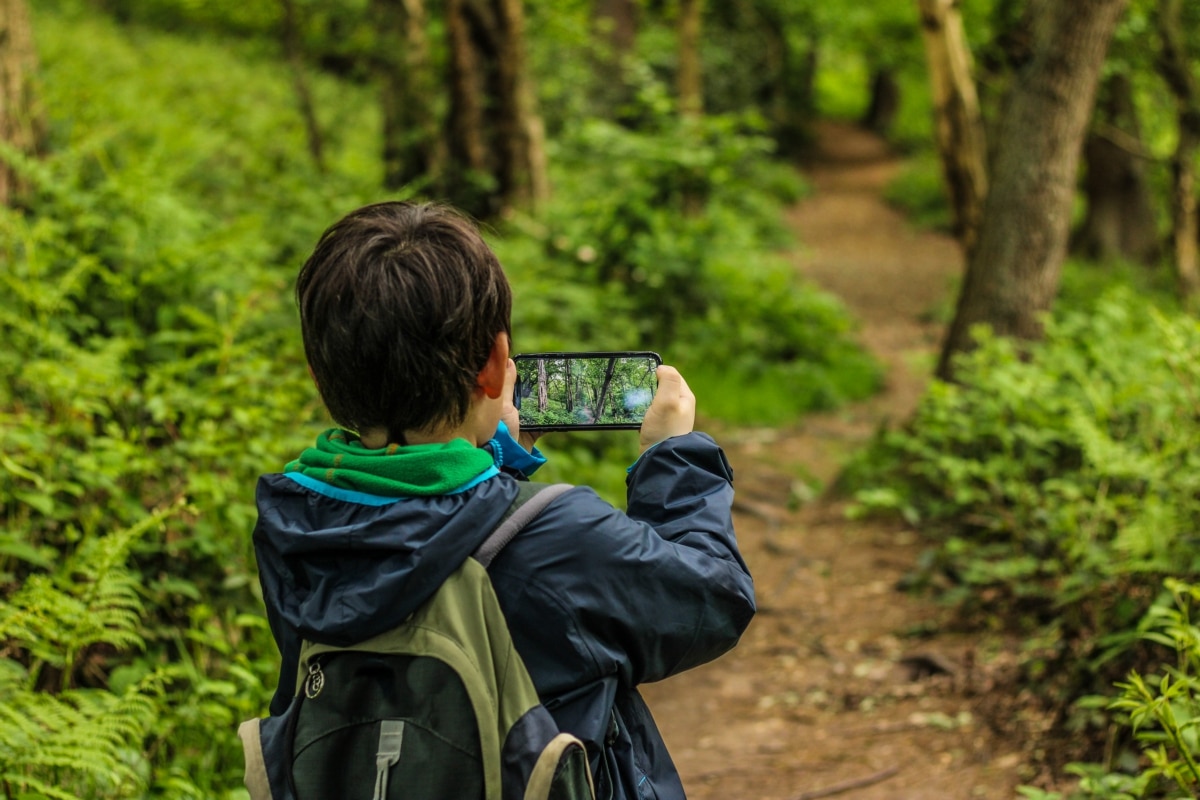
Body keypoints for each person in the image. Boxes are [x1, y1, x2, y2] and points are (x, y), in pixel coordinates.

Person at [250, 200, 756, 799]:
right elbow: (714, 597)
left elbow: (416, 537)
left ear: (319, 374)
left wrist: (491, 463)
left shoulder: (295, 521)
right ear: (495, 365)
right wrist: (674, 456)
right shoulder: (559, 536)